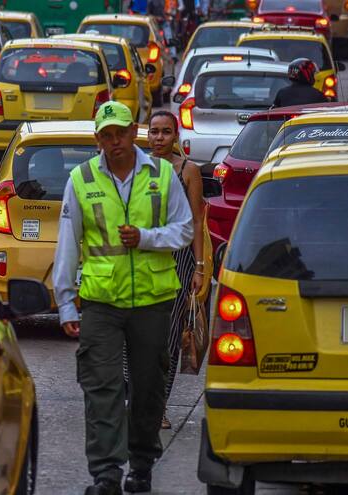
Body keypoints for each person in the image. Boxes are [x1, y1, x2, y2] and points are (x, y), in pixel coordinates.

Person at [53, 101, 193, 495]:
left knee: (148, 387)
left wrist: (147, 238)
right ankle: (106, 473)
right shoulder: (81, 180)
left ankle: (142, 465)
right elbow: (68, 244)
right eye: (107, 136)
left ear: (135, 132)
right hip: (102, 302)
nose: (115, 142)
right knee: (103, 388)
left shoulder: (163, 174)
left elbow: (184, 230)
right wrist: (66, 302)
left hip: (151, 301)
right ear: (98, 139)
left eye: (121, 133)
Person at [144, 110, 206, 430]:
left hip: (179, 263)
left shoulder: (188, 171)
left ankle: (159, 407)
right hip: (142, 261)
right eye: (154, 132)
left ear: (176, 137)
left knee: (168, 337)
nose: (159, 138)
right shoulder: (138, 168)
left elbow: (196, 221)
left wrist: (199, 267)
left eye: (166, 132)